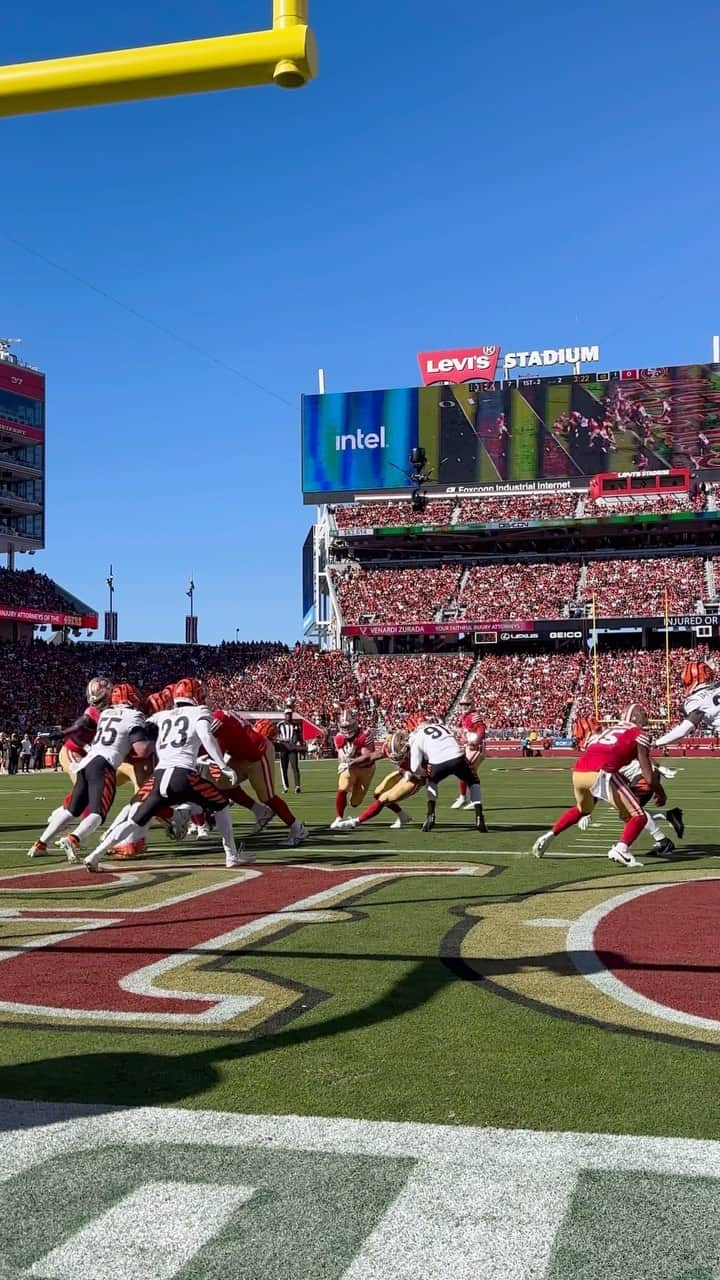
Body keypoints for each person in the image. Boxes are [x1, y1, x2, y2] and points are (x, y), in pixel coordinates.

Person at [83, 678, 243, 872]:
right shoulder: (199, 712)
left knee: (134, 820)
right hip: (183, 775)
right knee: (222, 805)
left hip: (158, 778)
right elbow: (205, 735)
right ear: (195, 695)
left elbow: (139, 731)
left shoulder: (160, 716)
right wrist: (222, 765)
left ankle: (95, 855)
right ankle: (231, 855)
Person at [27, 684, 154, 863]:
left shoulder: (106, 714)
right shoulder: (134, 716)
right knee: (97, 813)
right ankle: (73, 839)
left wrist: (61, 734)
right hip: (104, 765)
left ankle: (40, 844)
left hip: (87, 762)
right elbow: (141, 751)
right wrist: (155, 740)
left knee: (72, 809)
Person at [532, 703, 660, 868]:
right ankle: (622, 849)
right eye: (643, 712)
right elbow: (648, 776)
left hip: (579, 772)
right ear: (635, 717)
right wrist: (660, 792)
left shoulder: (609, 730)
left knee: (582, 809)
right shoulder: (639, 734)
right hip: (602, 773)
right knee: (638, 816)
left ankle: (550, 834)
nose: (646, 716)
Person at [207, 709, 306, 847]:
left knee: (267, 797)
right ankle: (261, 811)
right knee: (223, 784)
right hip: (240, 754)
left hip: (258, 753)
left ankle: (297, 828)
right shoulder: (217, 718)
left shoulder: (218, 725)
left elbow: (214, 758)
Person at [407, 717, 486, 833]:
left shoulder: (417, 736)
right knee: (474, 782)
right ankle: (479, 816)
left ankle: (430, 816)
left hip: (437, 763)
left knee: (431, 782)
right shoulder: (442, 727)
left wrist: (425, 774)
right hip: (457, 758)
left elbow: (414, 767)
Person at [335, 729, 416, 831]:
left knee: (384, 798)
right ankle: (403, 816)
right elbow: (370, 757)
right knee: (378, 793)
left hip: (416, 777)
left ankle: (355, 822)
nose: (396, 759)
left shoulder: (417, 749)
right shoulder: (391, 747)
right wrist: (350, 763)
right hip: (404, 772)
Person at [330, 710, 376, 830]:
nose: (346, 729)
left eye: (349, 726)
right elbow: (341, 754)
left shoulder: (364, 736)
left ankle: (353, 803)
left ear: (355, 724)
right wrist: (341, 763)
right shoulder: (339, 737)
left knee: (355, 802)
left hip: (366, 769)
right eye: (344, 727)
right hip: (350, 768)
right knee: (342, 788)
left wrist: (350, 761)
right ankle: (339, 818)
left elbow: (367, 756)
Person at [275, 705, 303, 793]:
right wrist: (280, 739)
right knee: (284, 768)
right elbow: (275, 735)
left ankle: (297, 786)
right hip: (283, 748)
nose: (288, 716)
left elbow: (299, 737)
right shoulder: (280, 725)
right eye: (287, 714)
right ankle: (286, 787)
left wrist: (299, 743)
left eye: (290, 714)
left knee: (295, 767)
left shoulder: (296, 725)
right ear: (284, 715)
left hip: (293, 748)